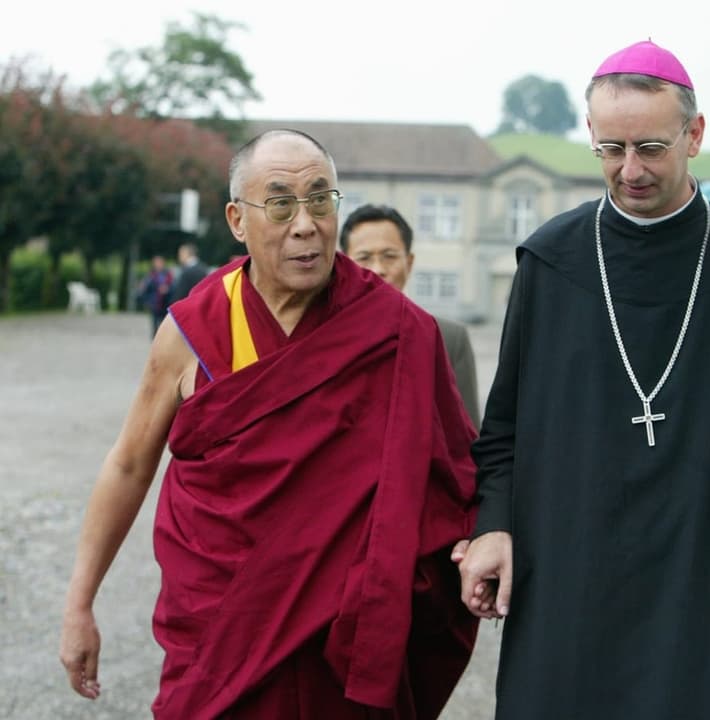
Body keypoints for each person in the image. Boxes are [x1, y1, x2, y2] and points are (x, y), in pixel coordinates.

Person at [454, 40, 710, 719]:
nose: (629, 170)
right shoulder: (551, 261)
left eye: (651, 148)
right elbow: (503, 430)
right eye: (610, 148)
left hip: (696, 575)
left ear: (694, 135)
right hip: (564, 570)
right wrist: (493, 526)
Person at [59, 129, 479, 719]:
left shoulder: (400, 331)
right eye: (280, 204)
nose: (305, 224)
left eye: (320, 200)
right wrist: (80, 602)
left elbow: (452, 478)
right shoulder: (191, 333)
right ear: (237, 219)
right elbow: (129, 463)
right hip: (220, 629)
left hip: (343, 640)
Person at [340, 203, 481, 428]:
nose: (378, 269)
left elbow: (467, 434)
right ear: (343, 264)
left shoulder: (448, 338)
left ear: (409, 262)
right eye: (364, 258)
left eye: (389, 256)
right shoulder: (326, 336)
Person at [136, 254, 174, 336]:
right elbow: (146, 288)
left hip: (165, 303)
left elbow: (173, 286)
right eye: (156, 262)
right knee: (154, 325)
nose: (158, 264)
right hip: (155, 303)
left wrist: (167, 289)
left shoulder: (168, 274)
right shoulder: (151, 275)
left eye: (160, 262)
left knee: (165, 324)